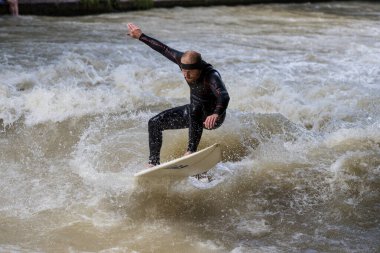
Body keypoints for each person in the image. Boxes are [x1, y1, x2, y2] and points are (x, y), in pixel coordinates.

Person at [127, 23, 230, 167]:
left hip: (213, 117)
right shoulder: (183, 61)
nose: (186, 75)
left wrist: (216, 114)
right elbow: (163, 49)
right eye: (183, 71)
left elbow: (224, 96)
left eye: (190, 72)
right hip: (195, 113)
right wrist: (141, 36)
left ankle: (191, 152)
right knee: (154, 122)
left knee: (196, 108)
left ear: (199, 68)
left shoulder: (211, 76)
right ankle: (153, 162)